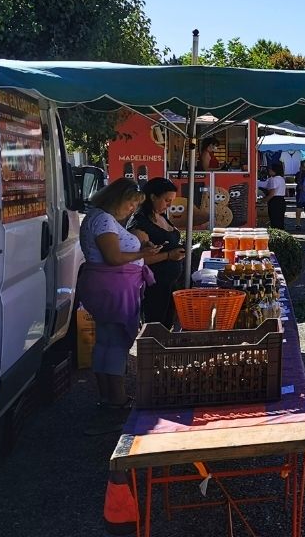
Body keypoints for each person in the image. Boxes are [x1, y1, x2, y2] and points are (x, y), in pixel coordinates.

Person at [76, 178, 160, 434]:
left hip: (104, 285)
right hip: (113, 287)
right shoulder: (103, 220)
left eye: (136, 204)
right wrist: (142, 254)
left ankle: (107, 396)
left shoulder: (98, 217)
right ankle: (118, 399)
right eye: (130, 202)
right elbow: (113, 257)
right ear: (115, 198)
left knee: (105, 341)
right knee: (117, 344)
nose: (132, 208)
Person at [128, 178, 187, 329]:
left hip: (170, 284)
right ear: (153, 197)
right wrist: (169, 255)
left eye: (171, 201)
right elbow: (141, 260)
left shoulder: (161, 216)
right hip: (154, 287)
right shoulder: (140, 223)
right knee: (155, 327)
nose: (170, 205)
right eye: (166, 200)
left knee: (167, 326)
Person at [259, 162, 287, 229]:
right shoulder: (282, 179)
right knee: (280, 221)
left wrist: (263, 201)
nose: (269, 171)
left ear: (275, 171)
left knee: (274, 222)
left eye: (270, 169)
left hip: (275, 202)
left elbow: (271, 194)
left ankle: (276, 237)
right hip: (282, 201)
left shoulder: (273, 179)